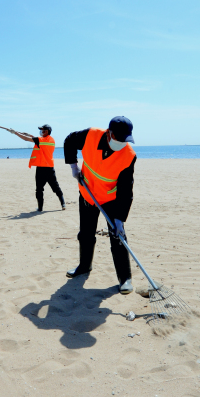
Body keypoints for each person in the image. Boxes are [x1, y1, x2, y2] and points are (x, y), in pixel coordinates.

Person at [63, 116, 136, 294]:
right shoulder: (91, 135)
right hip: (88, 193)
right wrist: (74, 166)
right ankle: (84, 266)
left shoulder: (128, 156)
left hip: (111, 200)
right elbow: (69, 141)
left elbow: (126, 190)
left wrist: (120, 219)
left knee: (118, 237)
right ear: (109, 134)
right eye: (119, 139)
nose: (122, 144)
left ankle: (125, 278)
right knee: (86, 233)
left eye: (125, 140)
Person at [9, 124, 66, 212]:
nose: (42, 132)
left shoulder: (40, 140)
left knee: (39, 189)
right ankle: (63, 204)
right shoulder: (51, 140)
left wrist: (15, 133)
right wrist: (26, 134)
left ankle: (40, 208)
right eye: (42, 130)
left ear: (48, 131)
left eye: (44, 130)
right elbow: (34, 138)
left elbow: (26, 139)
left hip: (41, 169)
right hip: (50, 167)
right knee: (55, 187)